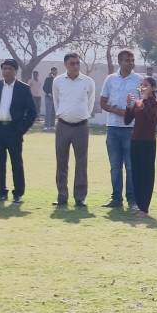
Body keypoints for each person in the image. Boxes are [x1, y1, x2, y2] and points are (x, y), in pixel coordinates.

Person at [0, 59, 37, 203]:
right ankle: (1, 192)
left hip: (13, 131)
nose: (6, 71)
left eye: (9, 69)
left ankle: (18, 193)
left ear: (15, 71)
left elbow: (32, 112)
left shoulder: (23, 88)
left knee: (16, 163)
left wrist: (21, 129)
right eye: (4, 68)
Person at [52, 53, 97, 208]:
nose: (76, 66)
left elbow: (90, 103)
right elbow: (56, 101)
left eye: (78, 63)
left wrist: (82, 115)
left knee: (81, 162)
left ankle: (80, 197)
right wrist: (63, 115)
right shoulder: (58, 81)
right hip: (63, 126)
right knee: (61, 162)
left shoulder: (88, 82)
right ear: (66, 65)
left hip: (81, 127)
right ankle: (62, 196)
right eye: (72, 63)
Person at [100, 50, 142, 210]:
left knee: (131, 166)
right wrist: (118, 111)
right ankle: (116, 199)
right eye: (127, 60)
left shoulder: (139, 80)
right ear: (119, 62)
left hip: (131, 129)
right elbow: (103, 103)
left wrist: (132, 110)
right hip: (113, 129)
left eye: (132, 60)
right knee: (115, 166)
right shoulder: (110, 79)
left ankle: (132, 200)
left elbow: (144, 104)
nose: (130, 63)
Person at [125, 76, 157, 218]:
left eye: (145, 85)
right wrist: (129, 106)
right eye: (141, 85)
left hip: (148, 143)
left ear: (153, 88)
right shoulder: (138, 103)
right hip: (135, 142)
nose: (142, 88)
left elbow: (152, 118)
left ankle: (144, 208)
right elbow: (127, 120)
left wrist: (146, 100)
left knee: (147, 174)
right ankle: (139, 205)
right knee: (136, 174)